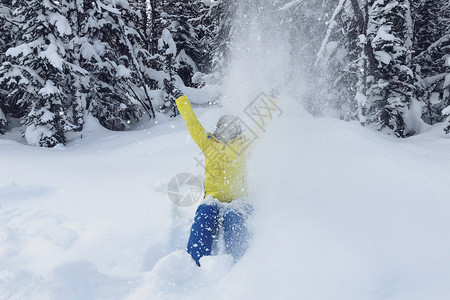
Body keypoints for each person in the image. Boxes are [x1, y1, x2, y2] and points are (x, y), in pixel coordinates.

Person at [175, 94, 254, 266]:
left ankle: (239, 265)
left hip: (238, 200)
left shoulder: (244, 145)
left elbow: (261, 129)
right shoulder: (208, 143)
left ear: (237, 129)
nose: (227, 129)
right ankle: (193, 264)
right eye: (223, 126)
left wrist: (271, 102)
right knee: (203, 218)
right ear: (218, 128)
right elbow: (193, 124)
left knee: (235, 220)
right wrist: (182, 102)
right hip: (212, 198)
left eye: (230, 126)